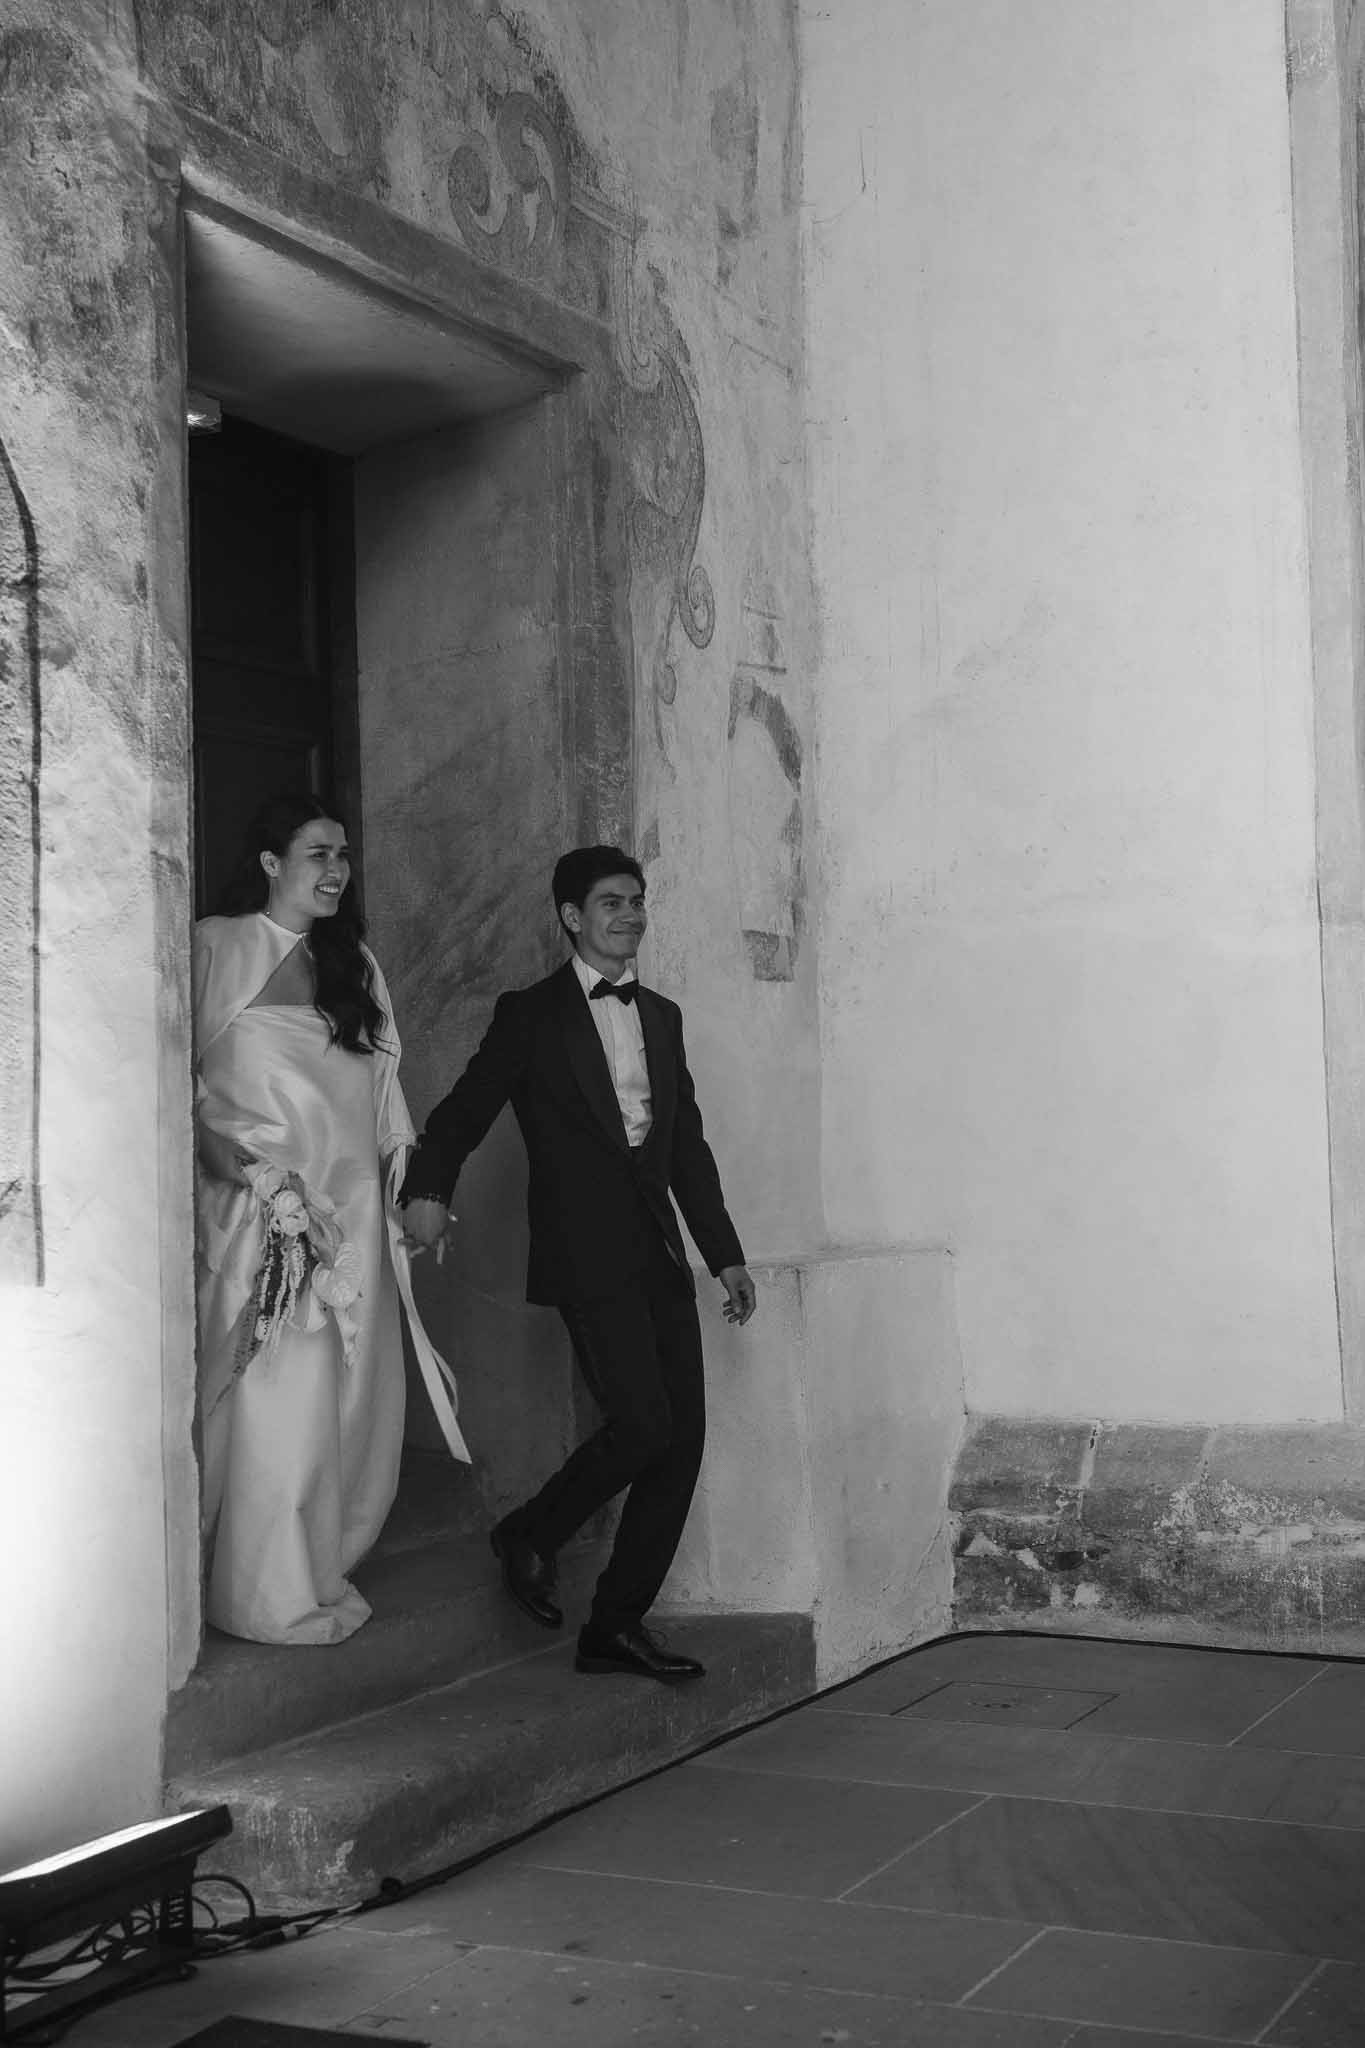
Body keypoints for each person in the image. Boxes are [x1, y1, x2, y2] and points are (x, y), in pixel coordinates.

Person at [401, 845, 756, 1683]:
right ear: (571, 916)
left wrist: (725, 1255)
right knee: (642, 1426)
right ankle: (529, 1531)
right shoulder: (531, 1015)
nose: (628, 915)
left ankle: (615, 1627)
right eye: (610, 903)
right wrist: (428, 1187)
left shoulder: (661, 1016)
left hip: (660, 1251)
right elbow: (464, 1108)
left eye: (636, 901)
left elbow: (686, 1149)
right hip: (585, 1252)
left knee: (681, 1441)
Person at [193, 792, 468, 1646]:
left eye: (343, 853)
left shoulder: (359, 965)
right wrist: (244, 1169)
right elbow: (179, 1083)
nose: (337, 869)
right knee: (279, 1403)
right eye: (317, 852)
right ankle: (256, 1589)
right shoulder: (217, 945)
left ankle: (312, 1565)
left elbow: (387, 1093)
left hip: (351, 1220)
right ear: (272, 863)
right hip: (259, 1217)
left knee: (345, 1406)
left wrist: (412, 1188)